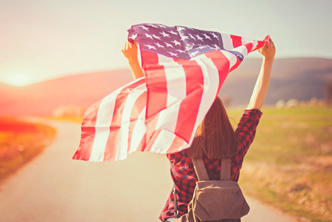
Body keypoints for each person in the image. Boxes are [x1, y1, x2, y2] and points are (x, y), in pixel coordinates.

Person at [122, 38, 276, 222]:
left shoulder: (178, 148)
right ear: (222, 116)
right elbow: (253, 110)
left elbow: (151, 106)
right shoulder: (236, 149)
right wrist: (268, 61)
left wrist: (132, 60)